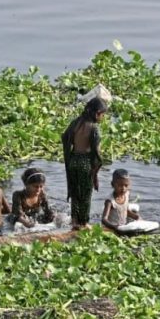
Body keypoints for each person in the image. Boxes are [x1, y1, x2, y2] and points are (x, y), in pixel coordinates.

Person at [61, 97, 108, 229]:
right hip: (85, 163)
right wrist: (95, 173)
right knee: (86, 194)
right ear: (97, 113)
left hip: (73, 160)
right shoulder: (94, 128)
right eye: (102, 115)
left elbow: (65, 137)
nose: (102, 118)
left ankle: (75, 221)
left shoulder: (76, 122)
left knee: (75, 192)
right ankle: (84, 222)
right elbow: (97, 154)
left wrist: (70, 153)